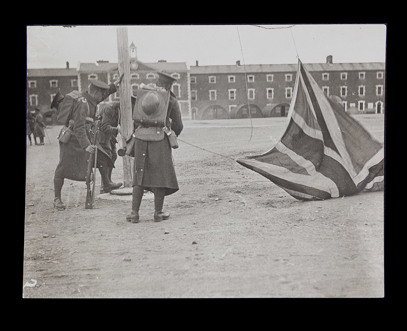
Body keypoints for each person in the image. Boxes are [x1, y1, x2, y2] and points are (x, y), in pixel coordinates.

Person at [53, 77, 122, 210]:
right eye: (101, 94)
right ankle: (57, 198)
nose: (102, 97)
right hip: (72, 140)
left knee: (102, 156)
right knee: (62, 168)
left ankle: (106, 183)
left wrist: (113, 86)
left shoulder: (89, 99)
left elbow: (100, 98)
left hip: (82, 136)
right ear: (95, 93)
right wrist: (86, 145)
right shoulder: (82, 104)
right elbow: (78, 127)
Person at [126, 71, 183, 223]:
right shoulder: (170, 100)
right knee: (159, 176)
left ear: (157, 82)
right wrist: (170, 133)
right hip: (160, 140)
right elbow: (179, 125)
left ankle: (134, 213)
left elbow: (136, 118)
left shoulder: (143, 94)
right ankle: (158, 213)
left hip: (140, 138)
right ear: (170, 85)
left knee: (139, 175)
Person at [97, 101, 122, 193]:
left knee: (113, 156)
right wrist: (117, 130)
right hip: (101, 136)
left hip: (109, 137)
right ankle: (105, 185)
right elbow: (105, 127)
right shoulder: (109, 109)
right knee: (106, 158)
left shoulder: (119, 110)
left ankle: (107, 183)